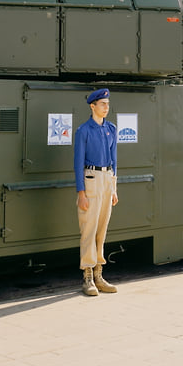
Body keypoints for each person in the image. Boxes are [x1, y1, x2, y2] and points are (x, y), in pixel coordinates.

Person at [74, 88, 119, 296]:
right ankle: (88, 277)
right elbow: (78, 163)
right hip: (90, 180)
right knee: (88, 230)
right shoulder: (84, 131)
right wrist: (81, 192)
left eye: (108, 104)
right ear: (93, 106)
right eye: (103, 104)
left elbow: (114, 160)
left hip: (106, 180)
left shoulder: (111, 129)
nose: (106, 107)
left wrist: (113, 188)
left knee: (102, 230)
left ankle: (99, 274)